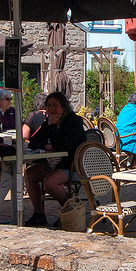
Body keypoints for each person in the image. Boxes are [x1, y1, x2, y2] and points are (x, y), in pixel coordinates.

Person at [23, 91, 87, 228]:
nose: (52, 108)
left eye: (55, 105)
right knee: (30, 174)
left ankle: (70, 212)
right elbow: (33, 142)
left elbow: (63, 146)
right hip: (53, 162)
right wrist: (47, 142)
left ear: (63, 106)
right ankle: (39, 214)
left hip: (72, 164)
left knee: (50, 182)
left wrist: (52, 129)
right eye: (49, 105)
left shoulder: (73, 121)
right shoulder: (49, 121)